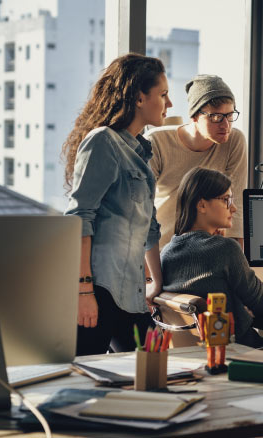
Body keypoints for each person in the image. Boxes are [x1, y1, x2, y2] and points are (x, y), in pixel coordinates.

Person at [63, 53, 171, 355]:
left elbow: (149, 229)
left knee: (157, 365)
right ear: (139, 97)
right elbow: (79, 217)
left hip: (132, 296)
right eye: (163, 95)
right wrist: (83, 291)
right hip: (99, 292)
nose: (169, 104)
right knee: (84, 385)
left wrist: (156, 285)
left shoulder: (142, 152)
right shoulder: (103, 142)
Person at [160, 167, 263, 347]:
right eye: (226, 200)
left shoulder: (167, 251)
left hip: (198, 358)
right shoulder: (225, 249)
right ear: (202, 205)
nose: (234, 208)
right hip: (243, 354)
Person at [147, 74, 247, 249]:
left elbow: (235, 203)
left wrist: (238, 262)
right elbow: (142, 210)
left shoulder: (234, 141)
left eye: (229, 116)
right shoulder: (157, 142)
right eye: (216, 117)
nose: (226, 126)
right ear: (194, 116)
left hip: (207, 251)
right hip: (162, 249)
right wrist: (149, 271)